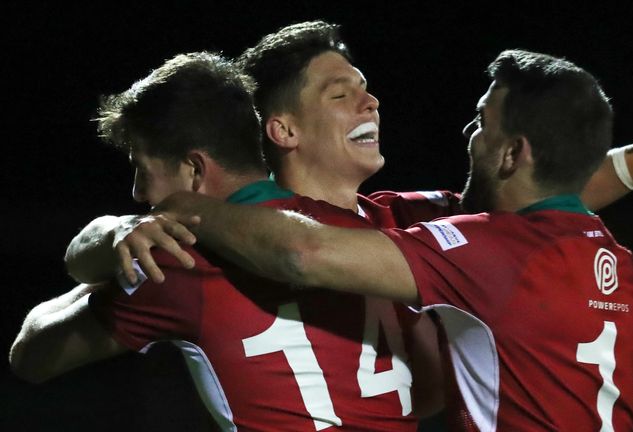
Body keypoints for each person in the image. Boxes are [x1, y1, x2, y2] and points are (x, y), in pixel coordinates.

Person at [55, 21, 633, 430]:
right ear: (283, 129)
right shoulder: (212, 247)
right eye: (341, 92)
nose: (371, 98)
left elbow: (539, 199)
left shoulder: (411, 224)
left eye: (365, 85)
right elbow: (37, 347)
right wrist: (113, 236)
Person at [8, 51, 428, 431]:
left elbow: (31, 355)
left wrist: (121, 250)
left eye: (142, 168)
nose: (138, 192)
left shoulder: (182, 260)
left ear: (193, 169)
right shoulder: (359, 226)